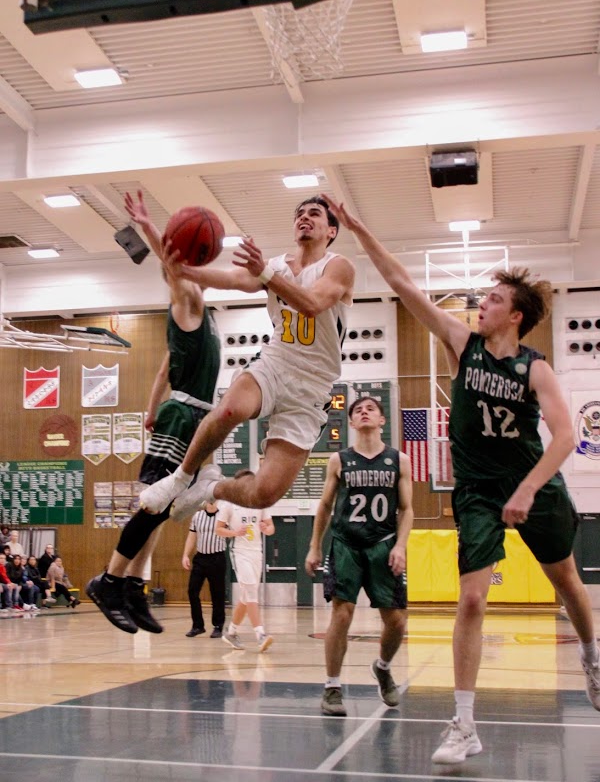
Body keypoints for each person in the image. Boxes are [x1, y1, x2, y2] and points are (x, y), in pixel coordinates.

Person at [323, 193, 600, 763]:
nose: (483, 303)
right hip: (476, 491)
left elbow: (567, 438)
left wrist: (527, 488)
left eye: (494, 299)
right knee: (471, 601)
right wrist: (357, 226)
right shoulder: (462, 343)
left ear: (516, 314)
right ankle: (464, 725)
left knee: (566, 581)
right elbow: (402, 283)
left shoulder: (536, 367)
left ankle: (593, 657)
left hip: (534, 484)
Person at [139, 195, 355, 519]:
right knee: (229, 409)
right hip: (277, 360)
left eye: (314, 213)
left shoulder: (338, 267)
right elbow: (220, 278)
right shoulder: (276, 267)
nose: (304, 218)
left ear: (332, 231)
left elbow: (310, 303)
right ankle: (179, 479)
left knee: (264, 494)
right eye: (299, 214)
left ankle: (210, 487)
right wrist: (156, 239)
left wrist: (266, 275)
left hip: (314, 385)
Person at [86, 190, 221, 635]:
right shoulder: (188, 301)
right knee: (151, 507)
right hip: (182, 418)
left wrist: (148, 410)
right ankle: (110, 581)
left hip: (190, 418)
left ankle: (133, 588)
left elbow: (166, 363)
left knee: (164, 509)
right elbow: (172, 265)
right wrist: (148, 225)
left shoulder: (206, 321)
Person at [305, 396, 413, 716]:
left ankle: (382, 667)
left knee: (396, 621)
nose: (363, 412)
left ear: (382, 420)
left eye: (370, 409)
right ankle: (333, 686)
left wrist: (401, 546)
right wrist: (314, 545)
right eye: (357, 411)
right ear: (351, 423)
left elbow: (406, 509)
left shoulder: (399, 460)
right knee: (341, 614)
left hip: (384, 544)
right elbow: (325, 505)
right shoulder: (339, 460)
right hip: (346, 544)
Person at [216, 501, 275, 652]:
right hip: (239, 552)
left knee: (246, 596)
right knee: (251, 591)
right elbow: (218, 529)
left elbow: (271, 528)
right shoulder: (229, 505)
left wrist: (265, 529)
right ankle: (260, 634)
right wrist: (235, 533)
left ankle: (231, 632)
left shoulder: (261, 503)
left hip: (256, 552)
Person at [182, 504, 227, 638]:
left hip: (217, 557)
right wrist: (185, 555)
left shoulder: (224, 517)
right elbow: (192, 536)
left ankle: (218, 626)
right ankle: (198, 625)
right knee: (192, 591)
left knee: (217, 594)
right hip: (200, 558)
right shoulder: (197, 516)